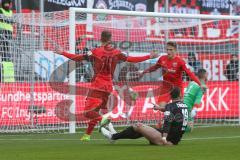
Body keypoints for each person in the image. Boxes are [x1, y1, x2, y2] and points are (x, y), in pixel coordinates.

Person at [54, 30, 158, 141]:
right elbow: (131, 59)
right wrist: (149, 56)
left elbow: (78, 58)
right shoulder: (116, 52)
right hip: (108, 86)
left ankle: (103, 120)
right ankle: (87, 135)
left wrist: (63, 52)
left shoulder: (95, 51)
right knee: (96, 110)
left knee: (88, 112)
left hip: (97, 84)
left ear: (101, 38)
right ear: (110, 39)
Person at [100, 87, 188, 146]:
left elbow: (167, 123)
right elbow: (173, 111)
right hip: (175, 139)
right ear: (180, 95)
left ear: (170, 95)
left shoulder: (170, 107)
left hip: (166, 139)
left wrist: (164, 138)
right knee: (143, 130)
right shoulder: (183, 105)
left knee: (138, 126)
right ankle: (115, 135)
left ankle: (113, 137)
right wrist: (159, 108)